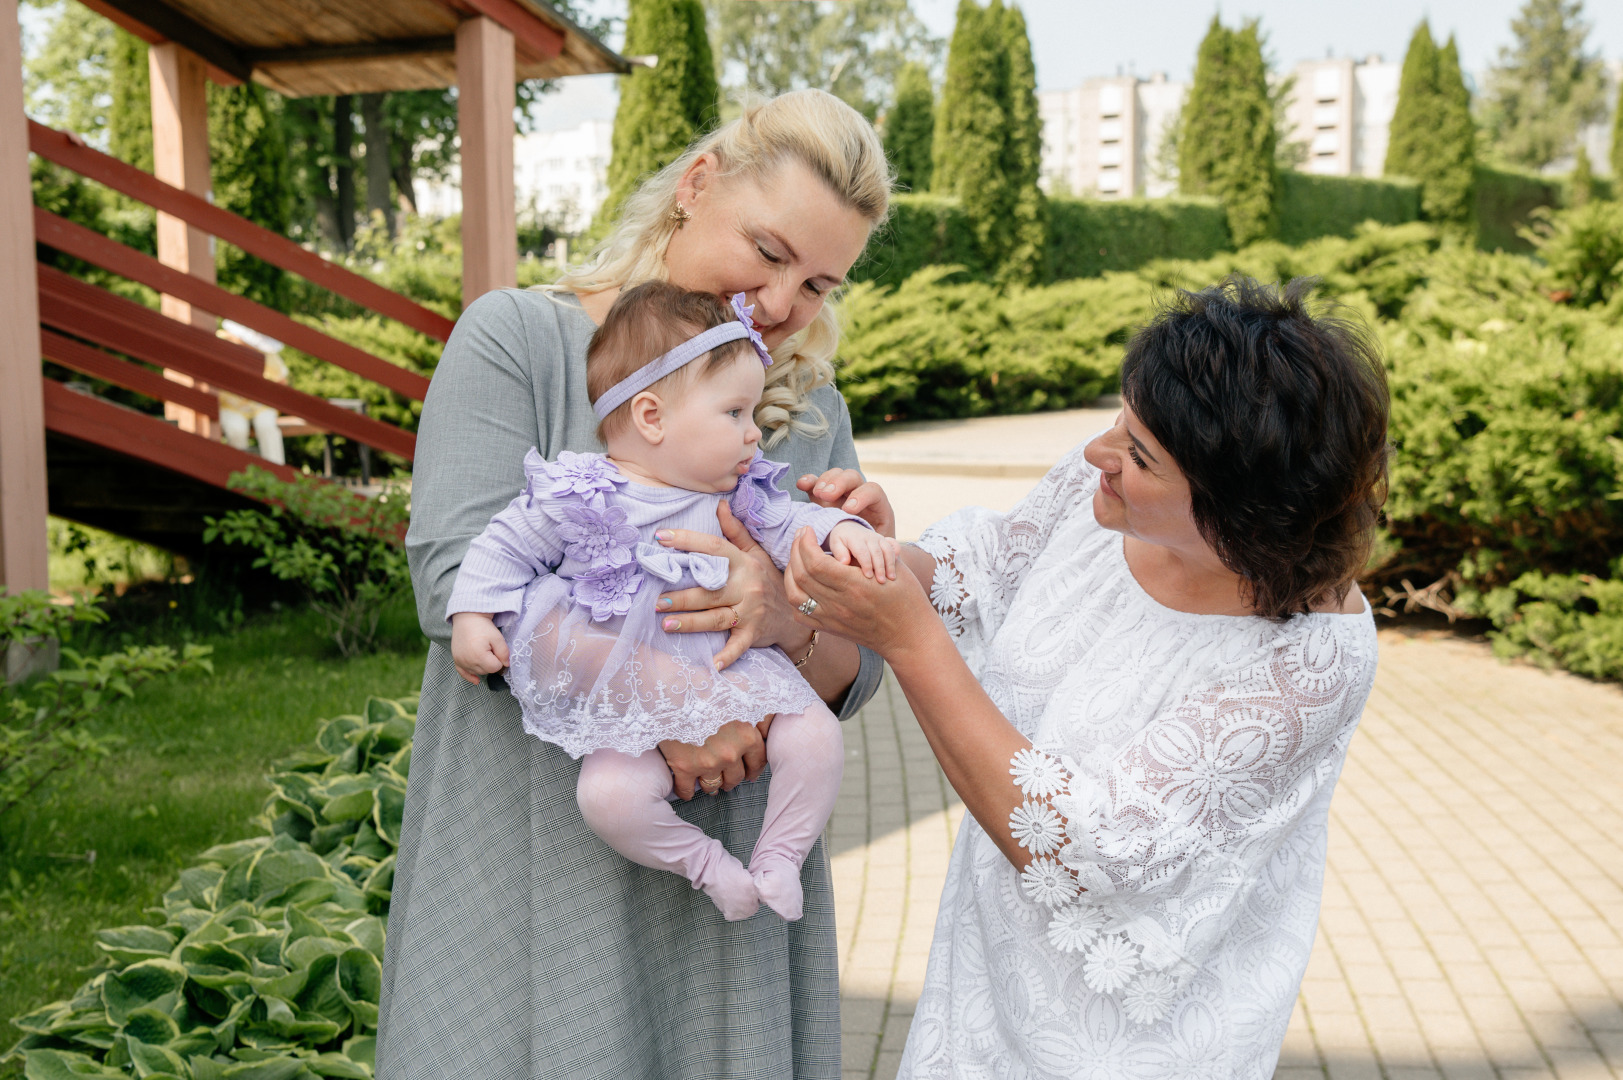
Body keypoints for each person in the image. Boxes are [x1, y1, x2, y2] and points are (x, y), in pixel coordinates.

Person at [379, 89, 895, 1079]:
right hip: (537, 857)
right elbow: (454, 581)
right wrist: (665, 711)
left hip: (732, 890)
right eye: (770, 251)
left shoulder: (803, 405)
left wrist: (810, 609)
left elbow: (851, 674)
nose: (785, 305)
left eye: (821, 284)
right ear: (696, 187)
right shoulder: (517, 342)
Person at [783, 277, 1389, 1079]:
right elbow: (997, 562)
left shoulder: (1307, 667)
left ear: (1239, 513)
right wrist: (877, 556)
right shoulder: (1099, 494)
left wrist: (907, 638)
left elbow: (1082, 849)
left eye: (1138, 454)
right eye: (1119, 421)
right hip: (984, 988)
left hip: (1132, 1046)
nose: (1099, 454)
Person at [446, 283, 898, 922]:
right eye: (734, 414)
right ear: (651, 417)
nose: (752, 435)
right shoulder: (582, 492)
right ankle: (708, 866)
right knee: (607, 795)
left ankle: (777, 858)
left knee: (817, 738)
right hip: (629, 686)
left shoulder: (740, 496)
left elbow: (796, 523)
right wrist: (471, 615)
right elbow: (500, 548)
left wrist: (844, 530)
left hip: (736, 676)